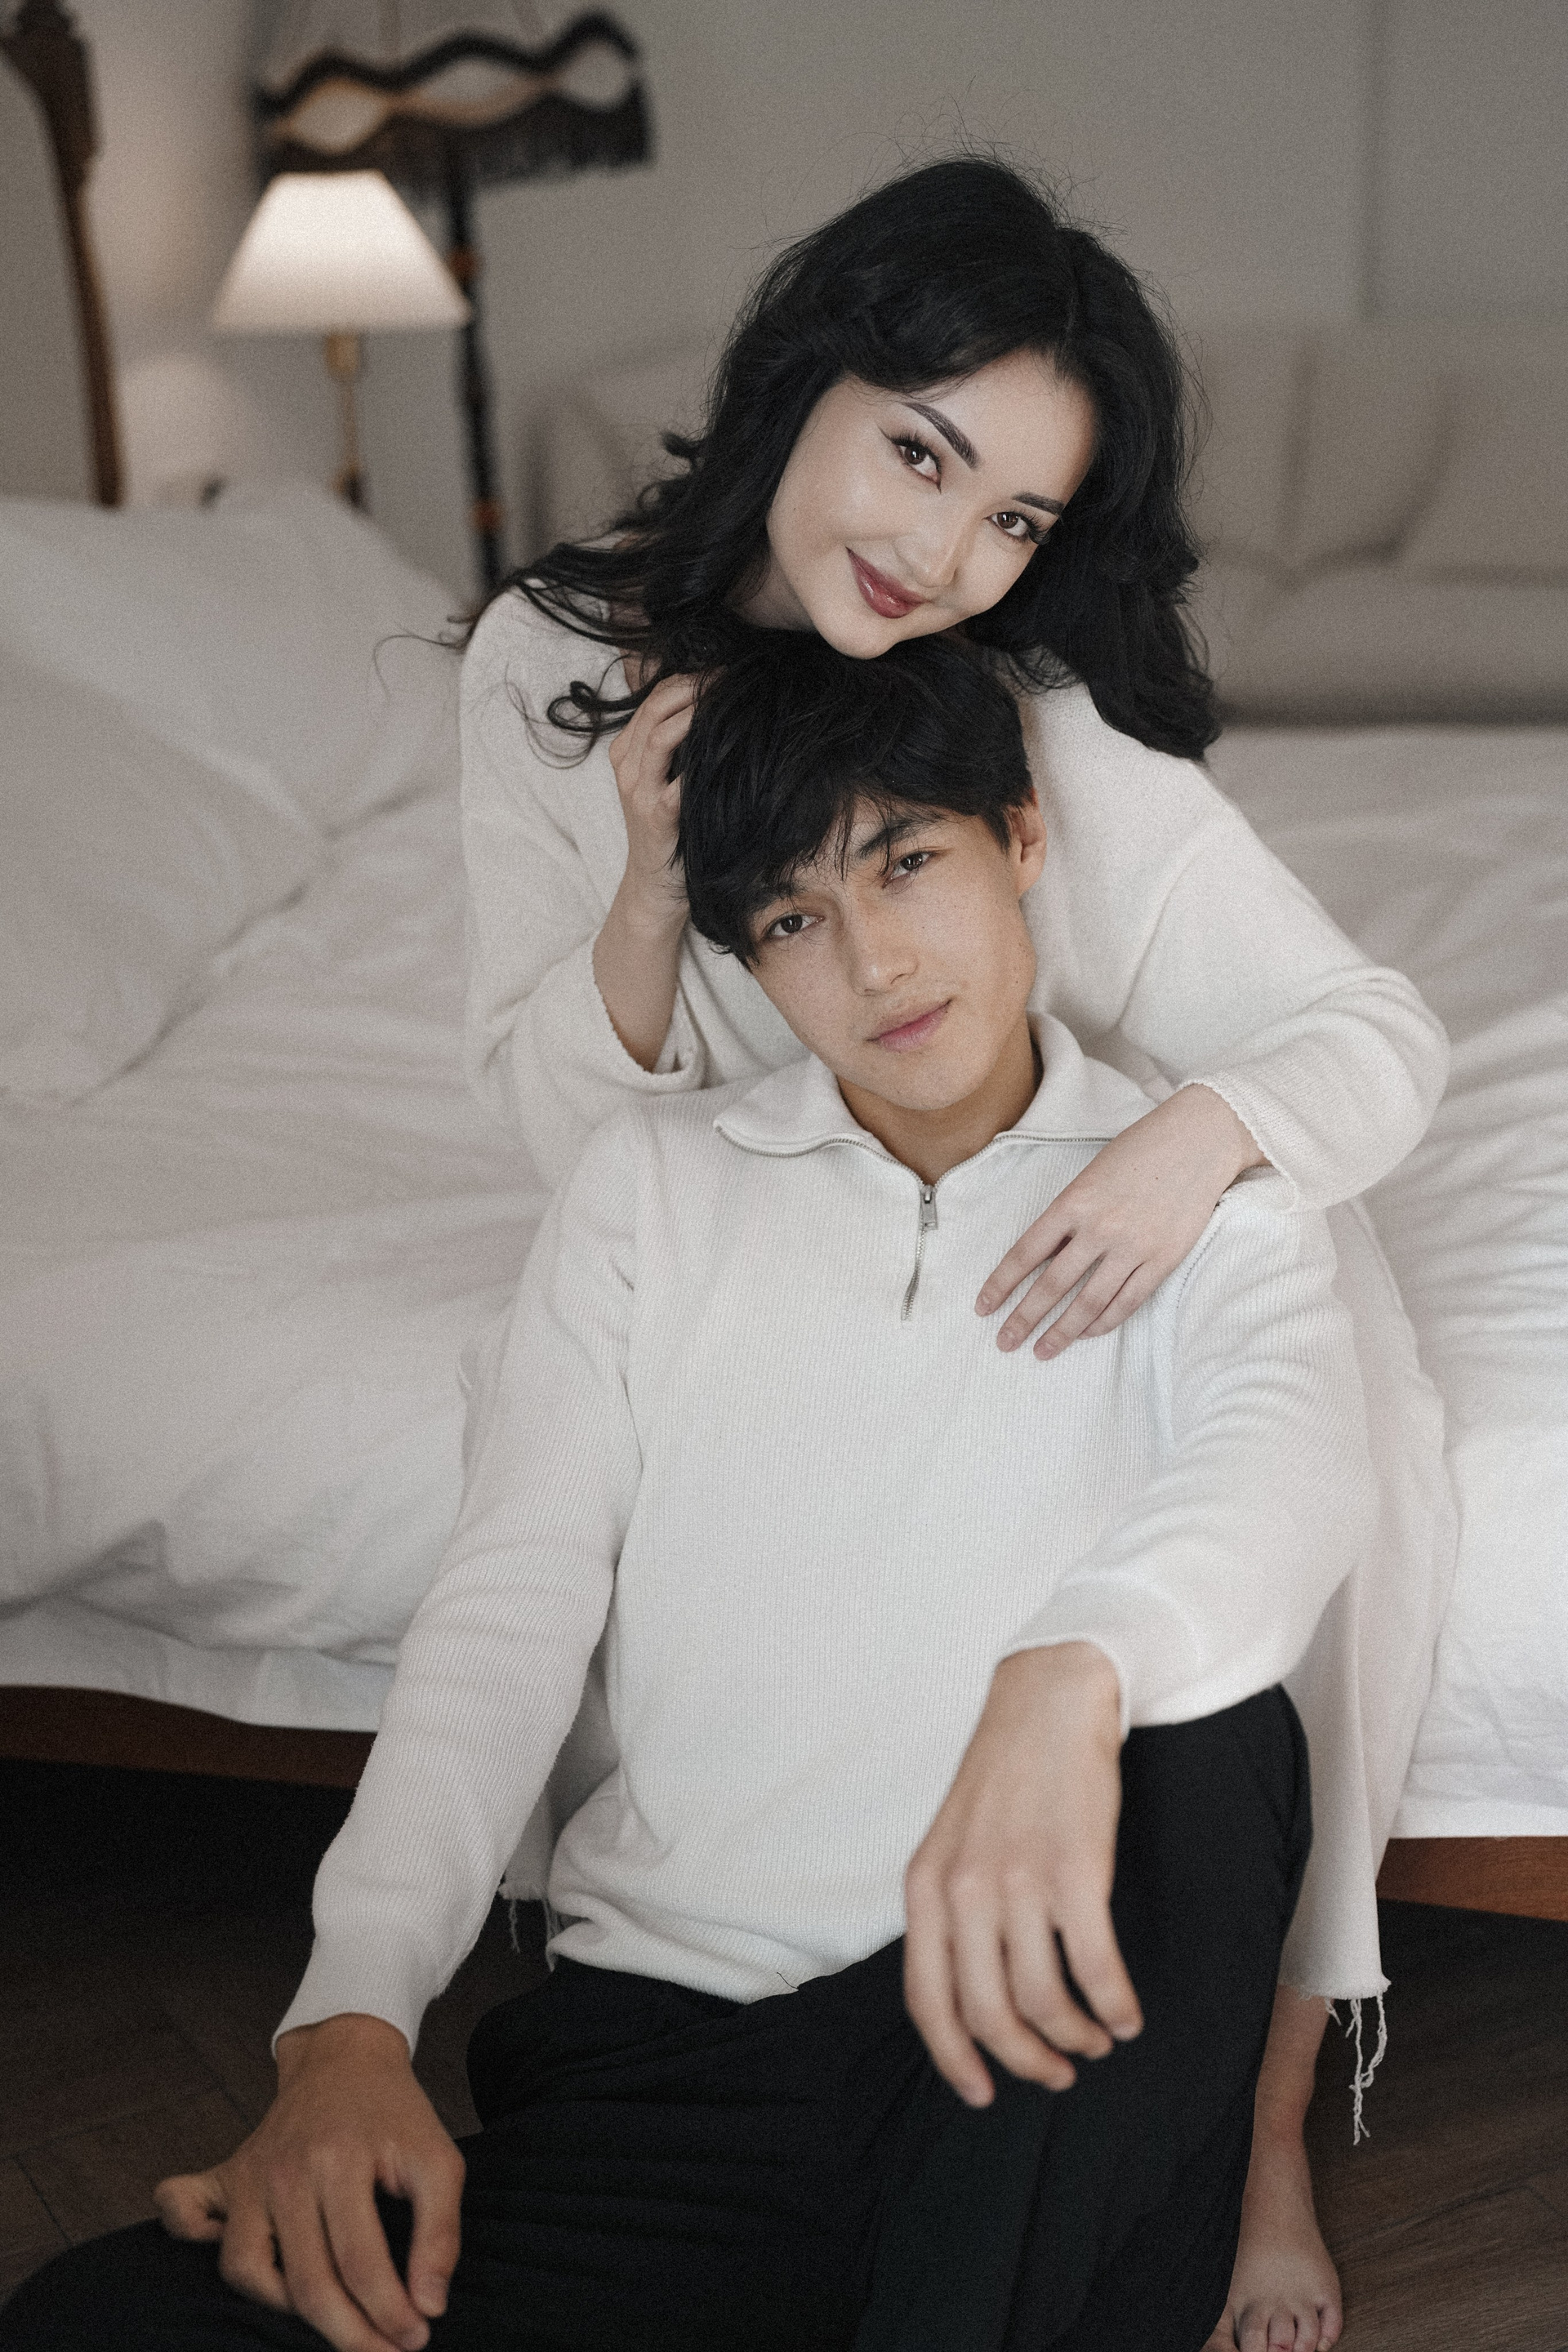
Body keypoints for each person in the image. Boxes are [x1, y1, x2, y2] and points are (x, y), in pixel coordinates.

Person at [4, 629, 1372, 2352]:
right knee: (94, 2317)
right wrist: (345, 2022)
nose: (874, 962)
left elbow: (1287, 1470)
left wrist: (1068, 1671)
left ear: (1020, 836)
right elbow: (508, 1608)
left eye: (906, 861)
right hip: (668, 2076)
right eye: (794, 919)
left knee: (1213, 1751)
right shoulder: (650, 1190)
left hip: (1024, 2067)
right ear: (743, 953)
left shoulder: (1204, 1192)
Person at [457, 157, 1454, 2352]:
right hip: (759, 1204)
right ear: (805, 367)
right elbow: (567, 1144)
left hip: (1089, 1178)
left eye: (1014, 516)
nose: (944, 555)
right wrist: (652, 883)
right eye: (922, 457)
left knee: (1340, 1360)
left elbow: (1371, 1034)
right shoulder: (550, 660)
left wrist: (1197, 1133)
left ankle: (1262, 2113)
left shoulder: (1020, 705)